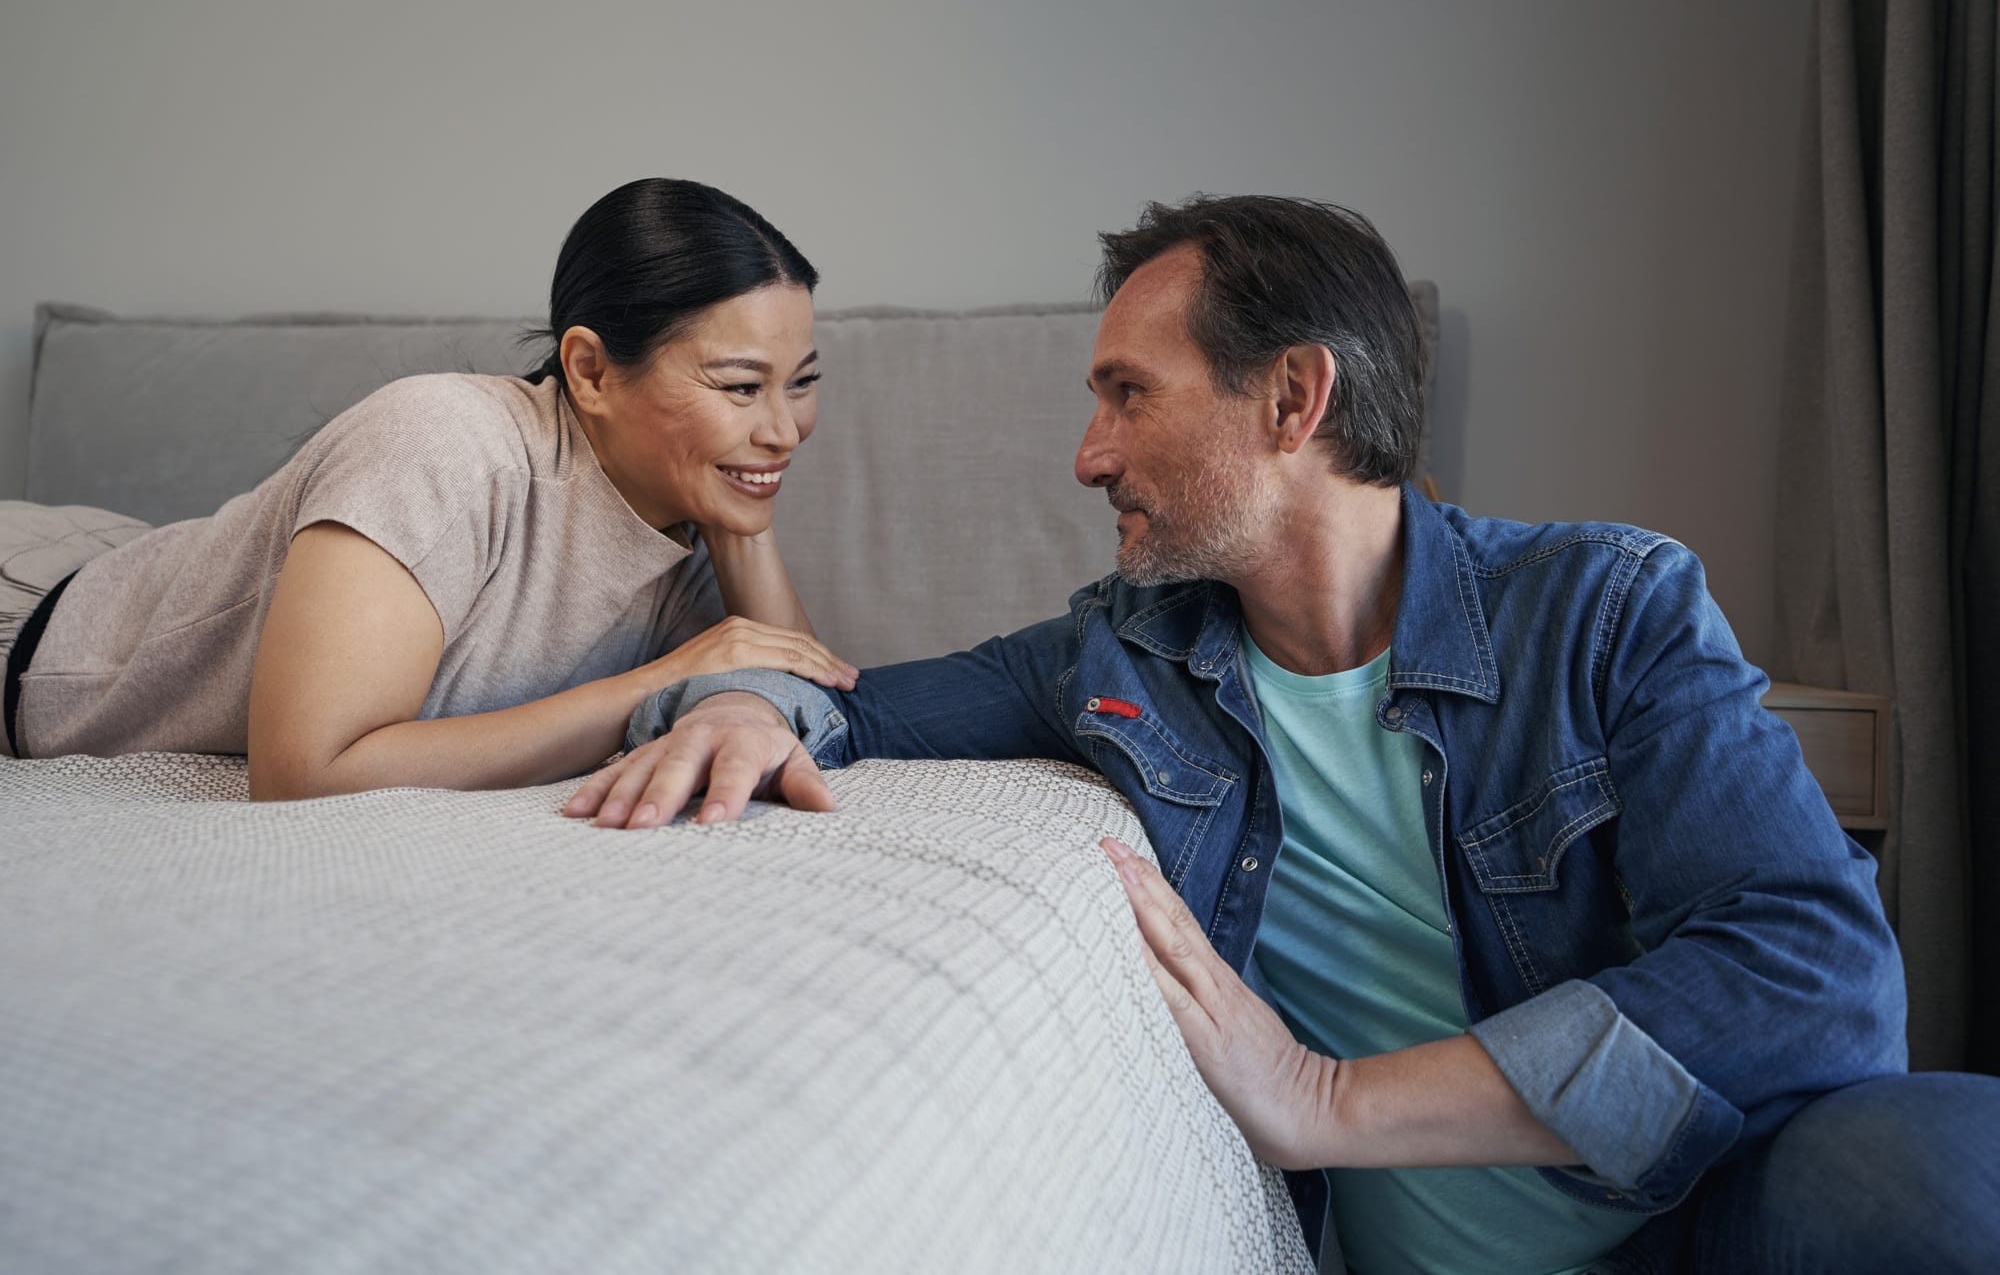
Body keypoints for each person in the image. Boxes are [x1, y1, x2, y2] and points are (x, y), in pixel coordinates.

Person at [566, 193, 2000, 1271]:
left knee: (1935, 1159)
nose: (1089, 455)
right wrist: (746, 697)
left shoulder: (1606, 607)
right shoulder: (1121, 653)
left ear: (1295, 398)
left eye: (1129, 393)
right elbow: (861, 700)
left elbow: (1820, 980)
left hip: (1685, 1233)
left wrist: (1324, 1099)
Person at [0, 178, 857, 795]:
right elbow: (305, 770)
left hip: (123, 554)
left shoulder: (678, 515)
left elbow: (800, 691)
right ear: (590, 370)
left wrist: (741, 495)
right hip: (31, 617)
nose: (786, 426)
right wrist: (656, 681)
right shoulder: (443, 444)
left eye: (802, 381)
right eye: (742, 386)